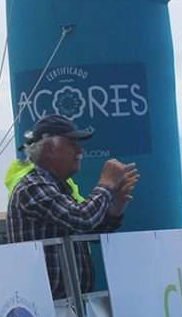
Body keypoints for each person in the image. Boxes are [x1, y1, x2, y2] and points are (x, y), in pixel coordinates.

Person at [7, 114, 139, 299]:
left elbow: (89, 232)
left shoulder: (60, 188)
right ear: (50, 149)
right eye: (72, 143)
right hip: (48, 307)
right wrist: (106, 184)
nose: (79, 150)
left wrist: (116, 207)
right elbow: (81, 219)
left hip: (70, 304)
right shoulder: (32, 187)